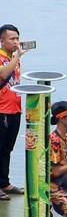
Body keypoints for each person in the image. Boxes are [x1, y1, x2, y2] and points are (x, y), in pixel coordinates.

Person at [0, 24, 27, 201]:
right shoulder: (3, 58)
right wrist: (17, 56)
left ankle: (4, 182)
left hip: (14, 109)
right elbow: (3, 75)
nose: (16, 42)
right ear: (2, 41)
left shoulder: (14, 58)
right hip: (1, 110)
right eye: (12, 39)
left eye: (17, 38)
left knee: (7, 148)